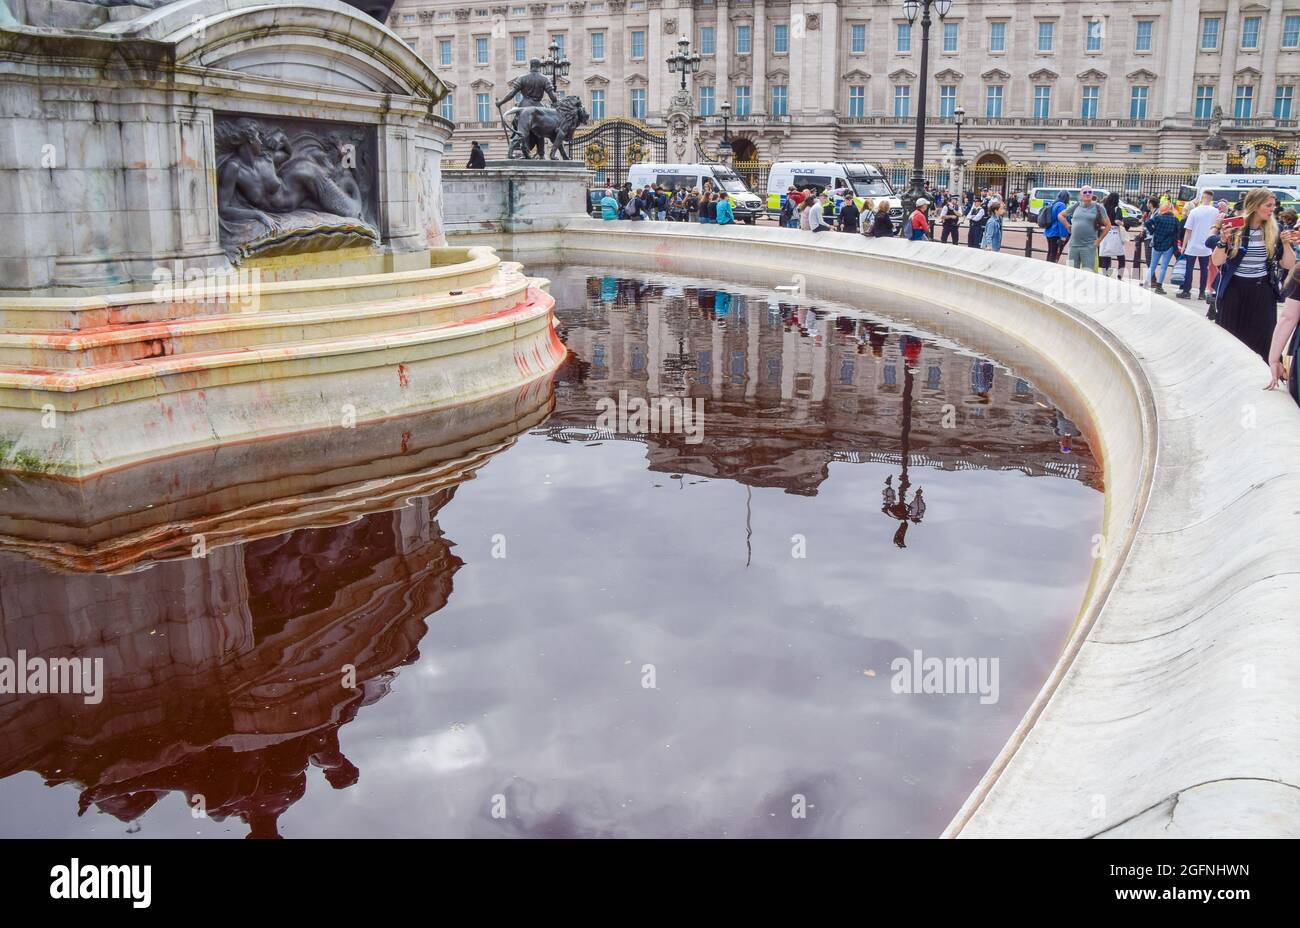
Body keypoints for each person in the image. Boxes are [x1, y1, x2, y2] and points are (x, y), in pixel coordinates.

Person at [1210, 188, 1298, 360]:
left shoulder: (1276, 229)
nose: (1272, 209)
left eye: (1273, 205)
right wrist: (1222, 240)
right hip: (1234, 289)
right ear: (1256, 205)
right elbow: (1217, 261)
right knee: (1229, 337)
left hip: (1262, 290)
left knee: (1263, 338)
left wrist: (1287, 245)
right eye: (1268, 205)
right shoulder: (1235, 226)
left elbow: (1287, 264)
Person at [1177, 190, 1218, 301]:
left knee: (1189, 269)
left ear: (1202, 197)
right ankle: (1201, 293)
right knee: (1204, 270)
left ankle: (1187, 291)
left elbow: (1188, 230)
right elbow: (1216, 228)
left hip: (1193, 245)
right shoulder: (1215, 212)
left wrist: (1184, 246)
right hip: (1206, 246)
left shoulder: (1194, 211)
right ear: (1211, 199)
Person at [1061, 185, 1110, 272]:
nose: (1087, 194)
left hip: (1089, 246)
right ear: (1081, 195)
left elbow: (1108, 225)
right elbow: (1061, 215)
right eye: (1085, 192)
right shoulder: (1076, 205)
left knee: (1088, 273)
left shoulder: (1099, 207)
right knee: (1071, 272)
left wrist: (1099, 241)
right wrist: (1068, 226)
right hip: (1074, 246)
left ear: (1092, 194)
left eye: (1090, 192)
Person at [1143, 201, 1181, 293]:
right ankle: (1159, 287)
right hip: (1169, 245)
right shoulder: (1175, 220)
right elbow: (1177, 233)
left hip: (1156, 243)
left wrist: (1153, 231)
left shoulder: (1158, 218)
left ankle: (1146, 283)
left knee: (1152, 265)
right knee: (1164, 267)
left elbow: (1147, 223)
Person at [1097, 191, 1128, 277]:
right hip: (1114, 233)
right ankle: (1120, 274)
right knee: (1120, 255)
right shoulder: (1117, 209)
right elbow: (1117, 221)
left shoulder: (1103, 208)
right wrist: (1123, 223)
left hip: (1105, 232)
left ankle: (1106, 273)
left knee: (1105, 254)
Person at [1045, 190, 1070, 263]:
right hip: (1056, 233)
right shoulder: (1061, 205)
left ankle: (1047, 268)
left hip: (1049, 232)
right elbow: (1061, 221)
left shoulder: (1054, 204)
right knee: (1054, 254)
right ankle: (1051, 270)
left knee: (1051, 252)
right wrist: (1063, 235)